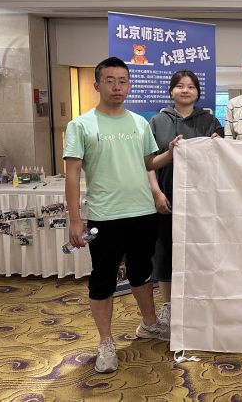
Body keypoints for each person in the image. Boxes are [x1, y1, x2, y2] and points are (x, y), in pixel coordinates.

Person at [63, 57, 182, 374]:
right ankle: (105, 342)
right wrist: (75, 219)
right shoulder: (81, 125)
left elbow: (148, 163)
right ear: (97, 84)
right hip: (105, 216)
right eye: (110, 80)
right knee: (103, 279)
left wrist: (170, 153)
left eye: (123, 81)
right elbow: (72, 175)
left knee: (142, 272)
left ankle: (149, 323)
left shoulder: (140, 123)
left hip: (142, 213)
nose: (117, 87)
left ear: (129, 85)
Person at [148, 70, 223, 336]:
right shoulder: (157, 121)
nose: (185, 90)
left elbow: (222, 159)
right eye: (180, 86)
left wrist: (217, 146)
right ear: (171, 91)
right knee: (165, 252)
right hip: (167, 196)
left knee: (201, 251)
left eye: (191, 86)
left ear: (198, 93)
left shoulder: (210, 121)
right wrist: (157, 193)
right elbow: (148, 162)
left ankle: (199, 304)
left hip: (202, 199)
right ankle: (168, 306)